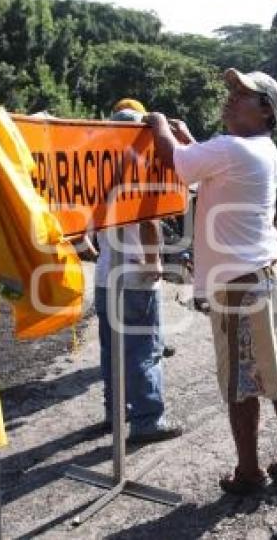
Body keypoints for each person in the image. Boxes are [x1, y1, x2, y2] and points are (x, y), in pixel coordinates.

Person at [144, 69, 277, 495]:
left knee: (240, 379)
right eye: (231, 91)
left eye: (242, 94)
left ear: (265, 109)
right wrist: (190, 141)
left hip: (240, 283)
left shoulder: (232, 149)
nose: (230, 98)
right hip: (269, 269)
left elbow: (178, 166)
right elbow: (205, 171)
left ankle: (249, 472)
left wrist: (159, 124)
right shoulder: (261, 148)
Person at [93, 100, 183, 443]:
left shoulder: (98, 169)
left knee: (111, 350)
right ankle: (147, 421)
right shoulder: (139, 166)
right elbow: (147, 221)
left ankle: (114, 413)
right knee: (144, 349)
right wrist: (153, 261)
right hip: (135, 276)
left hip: (105, 276)